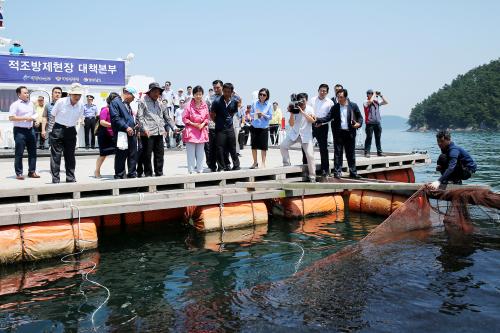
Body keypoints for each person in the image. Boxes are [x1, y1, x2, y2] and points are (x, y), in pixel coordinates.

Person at [315, 89, 363, 179]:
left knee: (351, 154)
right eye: (338, 97)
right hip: (339, 133)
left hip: (350, 133)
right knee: (338, 154)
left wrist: (358, 124)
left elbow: (360, 117)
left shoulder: (353, 106)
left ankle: (353, 172)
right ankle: (337, 172)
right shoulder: (335, 107)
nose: (339, 99)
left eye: (341, 97)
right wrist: (318, 120)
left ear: (346, 97)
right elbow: (328, 117)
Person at [47, 83, 85, 183]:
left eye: (79, 95)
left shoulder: (81, 105)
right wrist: (50, 131)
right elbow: (52, 116)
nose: (77, 97)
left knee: (70, 156)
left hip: (71, 131)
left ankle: (70, 177)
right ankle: (55, 179)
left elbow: (79, 118)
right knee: (56, 156)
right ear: (70, 94)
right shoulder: (61, 102)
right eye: (75, 94)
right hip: (58, 129)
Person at [136, 82, 176, 177]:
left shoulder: (161, 102)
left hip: (159, 132)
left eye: (158, 92)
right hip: (147, 133)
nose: (156, 94)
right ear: (149, 92)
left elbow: (167, 117)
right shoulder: (143, 101)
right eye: (154, 91)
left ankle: (159, 173)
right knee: (147, 155)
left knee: (159, 154)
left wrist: (174, 127)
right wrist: (144, 129)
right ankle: (148, 174)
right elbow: (139, 117)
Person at [280, 93, 317, 182]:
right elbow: (291, 124)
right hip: (295, 133)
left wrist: (302, 111)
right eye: (300, 101)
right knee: (283, 146)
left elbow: (312, 121)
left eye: (303, 101)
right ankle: (287, 166)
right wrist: (292, 113)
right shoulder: (294, 108)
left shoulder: (310, 109)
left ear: (306, 101)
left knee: (310, 155)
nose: (301, 103)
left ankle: (312, 176)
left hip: (306, 136)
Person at [8, 86, 38, 180]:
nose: (27, 94)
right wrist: (26, 118)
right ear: (19, 94)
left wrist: (35, 121)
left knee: (33, 152)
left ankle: (32, 172)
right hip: (19, 131)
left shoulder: (31, 104)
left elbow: (34, 114)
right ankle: (19, 173)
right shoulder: (15, 104)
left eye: (27, 93)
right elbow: (11, 118)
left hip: (31, 130)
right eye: (25, 93)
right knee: (19, 153)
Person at [110, 86, 138, 179]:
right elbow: (115, 118)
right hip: (121, 133)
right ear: (127, 93)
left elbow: (128, 118)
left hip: (131, 132)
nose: (134, 99)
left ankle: (132, 173)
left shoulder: (127, 104)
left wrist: (134, 126)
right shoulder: (115, 103)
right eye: (133, 96)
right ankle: (119, 174)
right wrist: (126, 127)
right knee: (121, 154)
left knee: (133, 153)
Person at [210, 82, 240, 171]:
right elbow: (212, 114)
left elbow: (233, 112)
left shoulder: (234, 102)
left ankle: (236, 165)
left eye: (229, 92)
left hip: (230, 128)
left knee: (232, 147)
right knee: (220, 148)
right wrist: (218, 122)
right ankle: (222, 167)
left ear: (232, 92)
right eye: (225, 91)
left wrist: (228, 120)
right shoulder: (217, 101)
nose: (227, 93)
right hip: (220, 128)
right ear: (223, 91)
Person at [182, 85, 209, 173]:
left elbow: (207, 117)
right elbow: (185, 118)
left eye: (200, 94)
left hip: (201, 131)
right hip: (191, 131)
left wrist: (203, 124)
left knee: (200, 152)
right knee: (191, 153)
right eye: (196, 94)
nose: (198, 96)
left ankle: (200, 169)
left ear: (202, 95)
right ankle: (191, 170)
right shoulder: (188, 105)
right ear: (193, 95)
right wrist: (194, 124)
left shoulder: (205, 105)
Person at [310, 84, 335, 177]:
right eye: (321, 90)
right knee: (306, 146)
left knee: (323, 149)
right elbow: (308, 111)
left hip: (323, 126)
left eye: (324, 91)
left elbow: (331, 117)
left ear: (327, 92)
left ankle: (325, 169)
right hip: (311, 125)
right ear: (318, 90)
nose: (322, 92)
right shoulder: (312, 100)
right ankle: (306, 166)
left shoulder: (330, 102)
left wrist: (322, 123)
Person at [94, 92, 119, 178]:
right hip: (105, 135)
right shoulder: (105, 109)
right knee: (103, 155)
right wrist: (112, 125)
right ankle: (97, 171)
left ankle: (118, 172)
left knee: (119, 154)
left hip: (114, 135)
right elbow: (102, 122)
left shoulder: (116, 110)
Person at [249, 88, 273, 169]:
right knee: (254, 146)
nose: (262, 96)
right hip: (254, 126)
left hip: (264, 128)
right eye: (260, 94)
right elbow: (251, 114)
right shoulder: (254, 103)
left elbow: (270, 117)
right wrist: (256, 114)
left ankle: (263, 163)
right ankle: (255, 162)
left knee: (263, 147)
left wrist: (263, 115)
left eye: (264, 95)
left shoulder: (269, 105)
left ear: (267, 96)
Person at [363, 89, 388, 157]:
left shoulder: (376, 102)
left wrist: (381, 95)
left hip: (377, 122)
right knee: (369, 137)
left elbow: (386, 102)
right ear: (367, 94)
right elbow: (370, 101)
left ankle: (379, 152)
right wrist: (374, 94)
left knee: (378, 138)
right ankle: (367, 152)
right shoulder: (365, 102)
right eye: (370, 93)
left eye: (372, 93)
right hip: (369, 123)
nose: (371, 94)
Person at [205, 80, 223, 172]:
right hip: (212, 125)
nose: (216, 89)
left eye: (218, 87)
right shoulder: (209, 98)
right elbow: (205, 111)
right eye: (214, 88)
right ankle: (212, 166)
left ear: (222, 87)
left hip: (223, 126)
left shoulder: (227, 97)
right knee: (212, 147)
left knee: (221, 147)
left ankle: (222, 166)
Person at [162, 81, 175, 148]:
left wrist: (173, 102)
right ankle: (164, 143)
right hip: (163, 107)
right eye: (165, 84)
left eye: (167, 85)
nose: (166, 86)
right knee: (163, 131)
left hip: (169, 107)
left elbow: (174, 98)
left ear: (169, 85)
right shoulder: (163, 92)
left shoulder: (171, 91)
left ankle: (168, 143)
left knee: (168, 130)